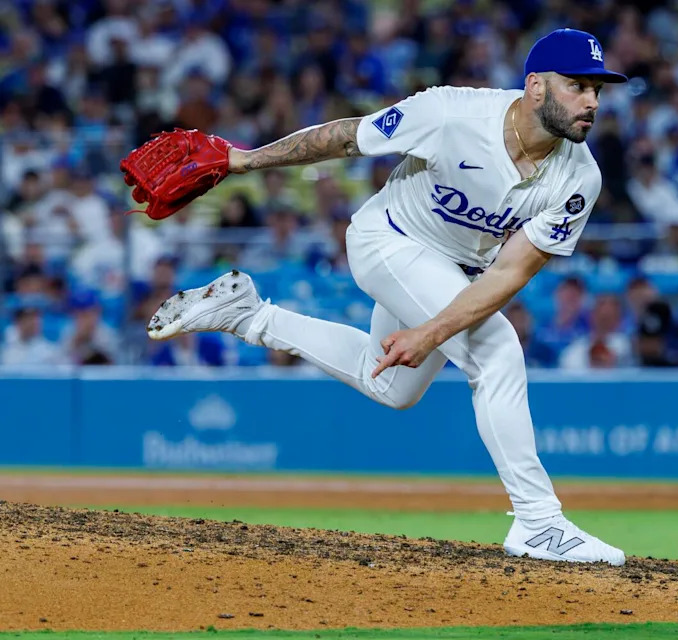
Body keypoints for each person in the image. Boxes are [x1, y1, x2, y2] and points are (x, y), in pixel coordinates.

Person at [140, 29, 626, 566]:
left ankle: (249, 316)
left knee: (392, 386)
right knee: (496, 350)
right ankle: (538, 522)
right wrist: (243, 162)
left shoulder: (580, 177)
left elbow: (510, 273)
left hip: (458, 271)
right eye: (577, 85)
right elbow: (350, 137)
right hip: (389, 241)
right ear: (536, 86)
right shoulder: (451, 114)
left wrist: (430, 331)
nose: (591, 101)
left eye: (597, 90)